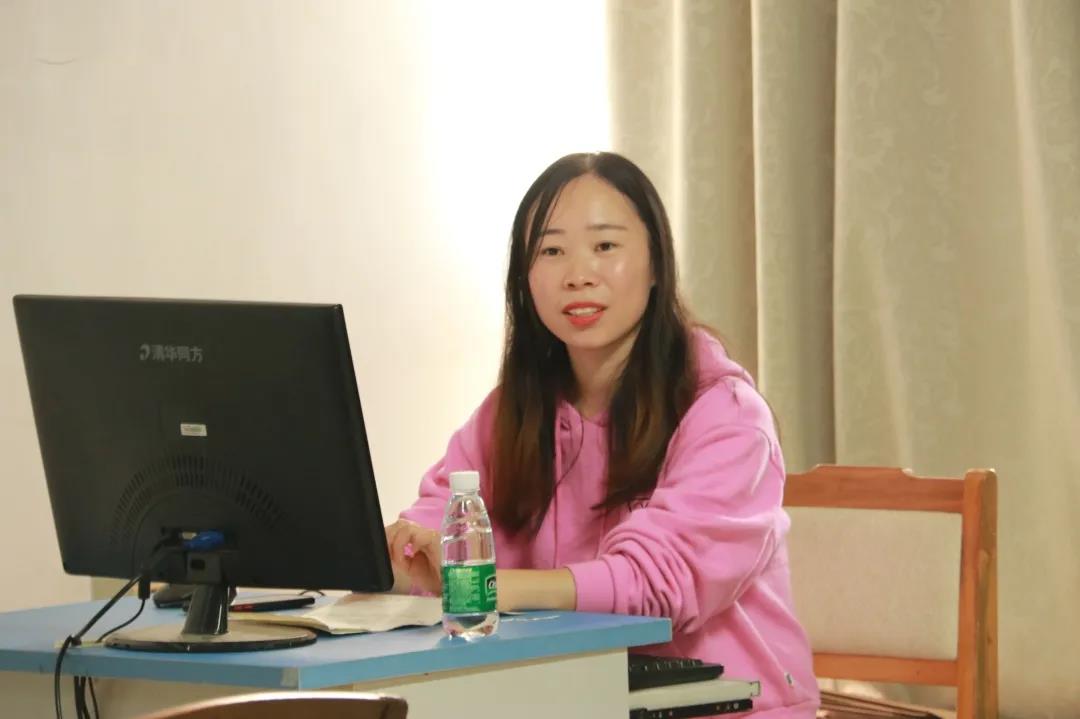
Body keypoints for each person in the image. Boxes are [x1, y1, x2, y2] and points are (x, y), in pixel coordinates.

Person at [385, 152, 819, 716]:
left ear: (657, 263)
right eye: (551, 251)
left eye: (605, 246)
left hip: (726, 705)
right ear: (525, 279)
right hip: (570, 700)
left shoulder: (726, 414)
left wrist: (489, 587)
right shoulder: (510, 413)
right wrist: (408, 556)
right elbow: (443, 516)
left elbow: (657, 585)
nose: (578, 274)